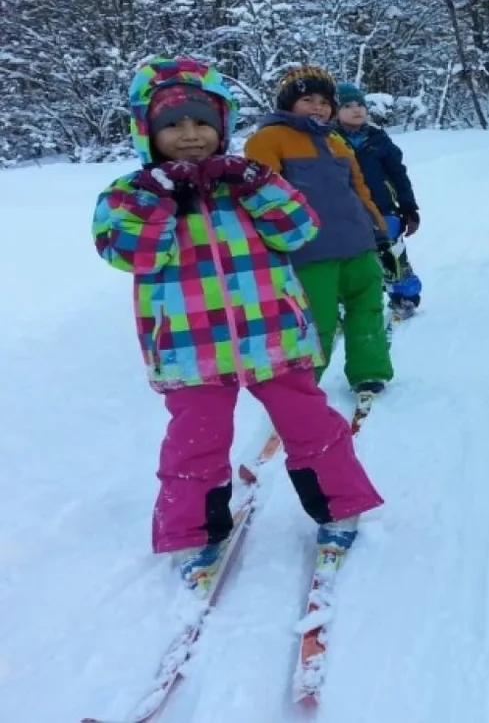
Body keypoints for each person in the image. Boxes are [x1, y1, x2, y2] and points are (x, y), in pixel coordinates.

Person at [92, 56, 382, 585]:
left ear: (222, 127)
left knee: (311, 424)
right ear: (147, 131)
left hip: (271, 334)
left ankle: (341, 504)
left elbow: (299, 229)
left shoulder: (247, 183)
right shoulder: (128, 194)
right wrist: (159, 200)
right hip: (190, 346)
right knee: (194, 443)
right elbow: (126, 253)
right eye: (173, 125)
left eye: (202, 123)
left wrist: (254, 184)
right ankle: (194, 531)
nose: (190, 135)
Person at [244, 66, 395, 396]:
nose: (318, 107)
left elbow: (360, 190)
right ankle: (304, 386)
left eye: (325, 101)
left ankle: (369, 371)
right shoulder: (267, 140)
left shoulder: (336, 141)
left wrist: (379, 234)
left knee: (367, 310)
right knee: (316, 322)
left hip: (357, 243)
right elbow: (258, 197)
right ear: (287, 104)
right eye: (307, 99)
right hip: (309, 252)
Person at [333, 83, 423, 319]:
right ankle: (348, 304)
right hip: (346, 212)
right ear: (335, 111)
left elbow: (398, 174)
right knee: (352, 259)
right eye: (348, 106)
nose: (357, 110)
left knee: (392, 252)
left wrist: (408, 207)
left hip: (383, 209)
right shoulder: (328, 140)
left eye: (360, 105)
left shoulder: (378, 138)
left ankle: (404, 296)